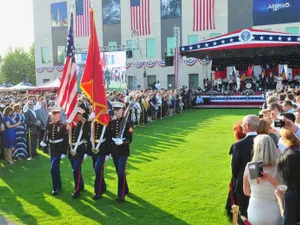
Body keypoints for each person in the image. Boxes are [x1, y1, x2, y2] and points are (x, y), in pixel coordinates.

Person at [243, 135, 281, 225]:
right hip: (273, 209)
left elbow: (246, 191)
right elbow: (282, 189)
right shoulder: (279, 167)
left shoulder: (250, 166)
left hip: (255, 208)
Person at [231, 115, 259, 224]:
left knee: (244, 214)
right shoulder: (266, 140)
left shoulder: (238, 145)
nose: (241, 126)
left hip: (243, 182)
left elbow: (235, 167)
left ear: (247, 126)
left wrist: (235, 180)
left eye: (243, 124)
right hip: (262, 181)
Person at [107, 102, 133, 202]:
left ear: (123, 110)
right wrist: (109, 152)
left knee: (121, 172)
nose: (116, 112)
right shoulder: (111, 123)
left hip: (123, 151)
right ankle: (125, 189)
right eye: (115, 110)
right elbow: (109, 138)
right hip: (114, 151)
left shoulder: (127, 122)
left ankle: (120, 195)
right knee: (119, 172)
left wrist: (123, 141)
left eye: (118, 110)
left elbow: (130, 139)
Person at [41, 107, 68, 196]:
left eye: (56, 114)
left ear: (59, 115)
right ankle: (59, 185)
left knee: (52, 169)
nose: (54, 116)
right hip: (52, 149)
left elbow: (65, 139)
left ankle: (55, 188)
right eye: (53, 114)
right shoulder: (49, 124)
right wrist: (44, 141)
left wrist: (64, 152)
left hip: (59, 149)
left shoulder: (62, 125)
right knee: (56, 169)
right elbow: (46, 133)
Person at [67, 107, 89, 199]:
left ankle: (77, 190)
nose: (79, 116)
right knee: (76, 169)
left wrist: (86, 153)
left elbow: (88, 139)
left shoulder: (84, 124)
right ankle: (81, 185)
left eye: (80, 114)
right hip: (71, 150)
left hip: (80, 150)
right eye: (77, 114)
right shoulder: (70, 124)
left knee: (75, 170)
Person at [87, 114, 109, 200]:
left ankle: (97, 191)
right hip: (93, 149)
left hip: (102, 149)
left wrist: (108, 153)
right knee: (96, 169)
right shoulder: (91, 123)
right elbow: (88, 136)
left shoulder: (105, 123)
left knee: (97, 168)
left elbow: (108, 138)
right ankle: (103, 186)